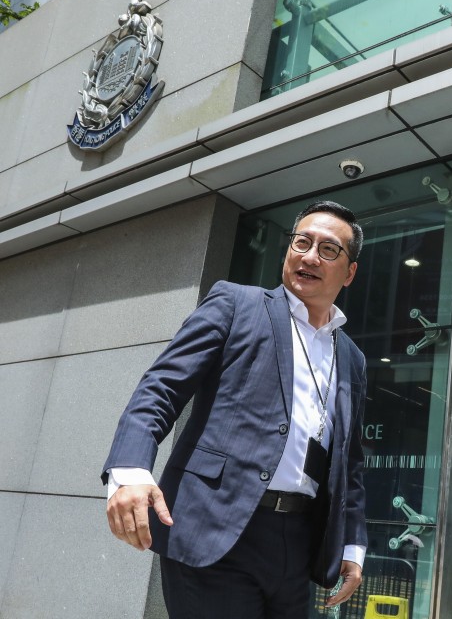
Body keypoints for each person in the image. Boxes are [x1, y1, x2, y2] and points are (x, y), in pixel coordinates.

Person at [103, 201, 369, 619]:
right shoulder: (236, 304)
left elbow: (348, 461)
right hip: (215, 526)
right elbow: (161, 388)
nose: (309, 256)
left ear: (349, 272)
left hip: (298, 544)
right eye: (302, 242)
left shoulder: (352, 357)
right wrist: (130, 471)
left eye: (329, 249)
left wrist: (352, 544)